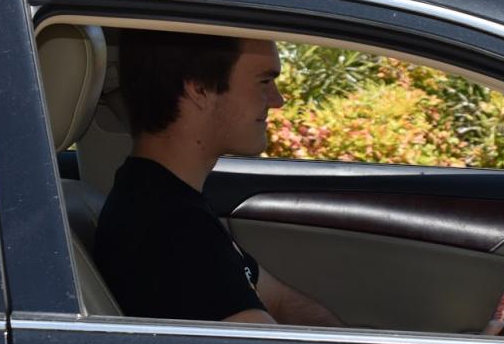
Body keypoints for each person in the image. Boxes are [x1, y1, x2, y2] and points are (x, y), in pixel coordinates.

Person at [93, 30, 340, 325]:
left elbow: (279, 300)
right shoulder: (170, 231)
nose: (278, 100)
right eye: (264, 82)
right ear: (199, 88)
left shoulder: (167, 201)